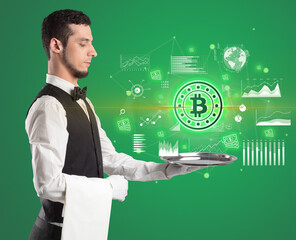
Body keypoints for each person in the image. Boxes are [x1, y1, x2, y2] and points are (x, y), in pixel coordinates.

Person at [25, 9, 206, 240]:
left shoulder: (84, 102)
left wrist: (166, 170)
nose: (93, 51)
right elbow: (47, 184)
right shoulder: (48, 107)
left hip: (84, 229)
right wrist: (108, 189)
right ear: (56, 46)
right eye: (83, 43)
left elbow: (109, 159)